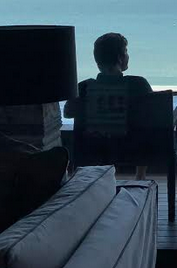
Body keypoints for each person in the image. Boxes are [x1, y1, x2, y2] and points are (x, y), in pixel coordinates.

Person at [65, 32, 153, 179]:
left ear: (98, 61)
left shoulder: (84, 88)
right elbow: (154, 112)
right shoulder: (138, 84)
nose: (128, 56)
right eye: (126, 51)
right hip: (131, 149)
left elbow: (68, 113)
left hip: (93, 150)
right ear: (120, 58)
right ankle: (140, 175)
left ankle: (89, 177)